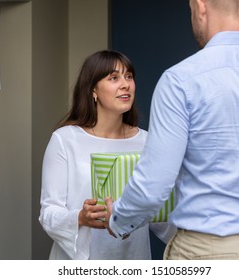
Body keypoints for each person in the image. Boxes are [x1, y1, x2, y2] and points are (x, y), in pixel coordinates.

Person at [105, 0, 239, 260]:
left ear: (200, 6)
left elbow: (153, 187)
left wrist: (117, 221)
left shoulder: (180, 81)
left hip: (209, 251)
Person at [39, 50, 174, 260]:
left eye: (129, 76)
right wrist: (80, 218)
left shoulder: (148, 142)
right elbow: (48, 213)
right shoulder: (65, 140)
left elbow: (160, 216)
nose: (125, 84)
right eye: (114, 78)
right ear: (93, 89)